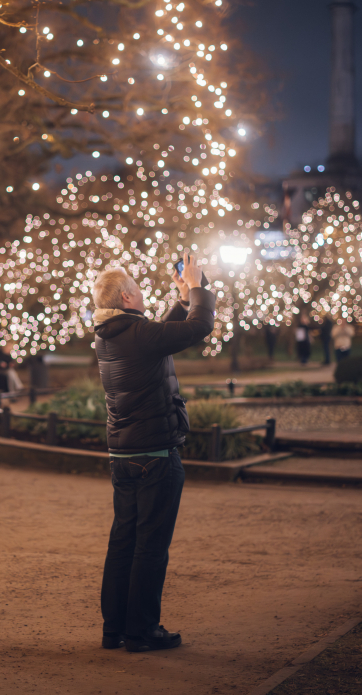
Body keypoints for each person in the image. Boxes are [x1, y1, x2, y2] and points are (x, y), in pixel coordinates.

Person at [91, 251, 216, 653]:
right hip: (155, 455)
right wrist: (196, 288)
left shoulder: (109, 334)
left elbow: (161, 335)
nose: (143, 293)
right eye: (138, 288)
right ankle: (143, 630)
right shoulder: (138, 334)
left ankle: (116, 629)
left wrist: (180, 301)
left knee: (123, 541)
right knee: (150, 545)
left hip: (124, 456)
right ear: (127, 297)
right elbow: (201, 326)